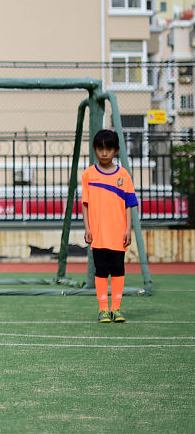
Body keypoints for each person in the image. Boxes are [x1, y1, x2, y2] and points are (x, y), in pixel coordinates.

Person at [82, 129, 138, 323]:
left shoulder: (124, 175)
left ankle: (117, 308)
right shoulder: (88, 174)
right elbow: (85, 204)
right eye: (100, 149)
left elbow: (129, 205)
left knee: (118, 269)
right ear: (94, 150)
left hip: (118, 234)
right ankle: (103, 309)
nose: (104, 153)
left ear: (116, 150)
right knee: (101, 270)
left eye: (109, 149)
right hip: (98, 234)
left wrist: (127, 229)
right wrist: (88, 228)